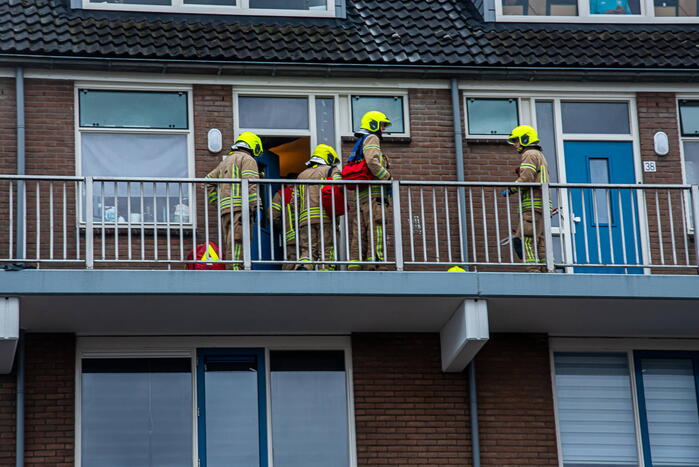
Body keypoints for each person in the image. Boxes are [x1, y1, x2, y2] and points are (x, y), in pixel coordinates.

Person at [205, 132, 262, 270]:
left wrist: (218, 202)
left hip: (226, 210)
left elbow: (207, 181)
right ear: (253, 146)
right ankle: (236, 271)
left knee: (231, 242)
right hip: (240, 209)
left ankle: (234, 268)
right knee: (239, 241)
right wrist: (256, 206)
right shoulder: (247, 159)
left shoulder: (224, 162)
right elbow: (250, 184)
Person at [348, 111, 393, 270]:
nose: (383, 129)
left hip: (361, 197)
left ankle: (355, 265)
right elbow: (372, 161)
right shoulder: (372, 138)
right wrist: (387, 177)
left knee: (360, 232)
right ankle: (377, 263)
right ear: (373, 124)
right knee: (376, 228)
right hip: (375, 196)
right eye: (382, 125)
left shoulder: (360, 143)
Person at [505, 125, 550, 272]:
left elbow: (527, 178)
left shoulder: (529, 154)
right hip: (542, 204)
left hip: (532, 204)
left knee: (526, 239)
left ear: (525, 139)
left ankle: (533, 270)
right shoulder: (539, 155)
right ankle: (546, 269)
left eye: (516, 140)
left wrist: (511, 189)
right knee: (540, 240)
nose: (515, 144)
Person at [297, 145, 342, 270]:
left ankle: (304, 267)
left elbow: (295, 201)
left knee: (307, 249)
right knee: (326, 248)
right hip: (325, 218)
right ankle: (326, 272)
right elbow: (340, 186)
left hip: (305, 220)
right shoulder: (331, 170)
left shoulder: (301, 175)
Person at [271, 173, 299, 270]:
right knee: (307, 258)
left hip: (290, 234)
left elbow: (273, 215)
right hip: (307, 234)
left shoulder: (281, 194)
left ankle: (288, 278)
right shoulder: (306, 192)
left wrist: (282, 226)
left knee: (291, 259)